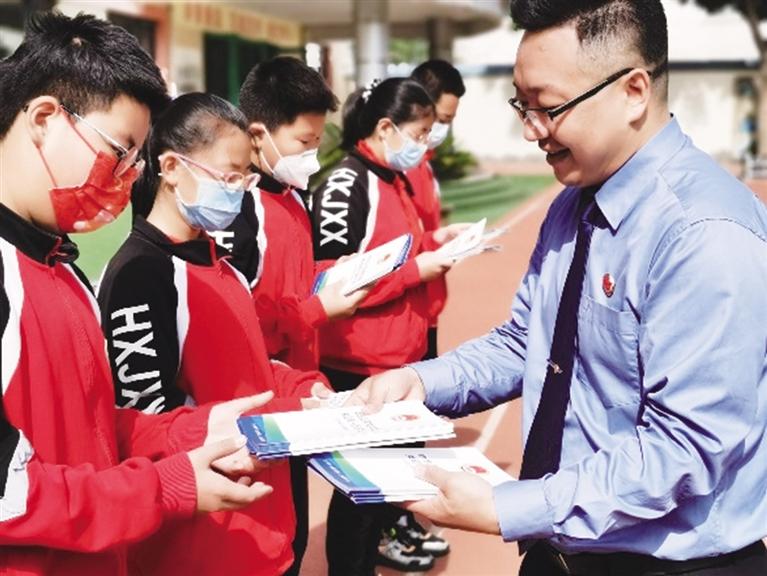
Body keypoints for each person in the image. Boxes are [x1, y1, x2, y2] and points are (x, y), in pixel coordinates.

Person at [351, 1, 767, 575]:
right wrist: (421, 382)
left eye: (548, 107)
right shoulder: (573, 204)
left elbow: (684, 450)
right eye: (522, 105)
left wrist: (507, 508)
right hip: (560, 545)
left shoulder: (703, 233)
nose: (531, 130)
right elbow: (529, 341)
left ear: (634, 92)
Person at [0, 13, 275, 576]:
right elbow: (10, 490)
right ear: (45, 119)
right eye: (118, 150)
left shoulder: (59, 266)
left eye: (134, 160)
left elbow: (91, 428)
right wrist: (163, 488)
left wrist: (193, 430)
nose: (126, 177)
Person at [97, 92, 332, 576]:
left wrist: (309, 390)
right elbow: (146, 429)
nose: (240, 192)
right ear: (171, 167)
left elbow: (250, 368)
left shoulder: (220, 263)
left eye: (245, 177)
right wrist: (284, 415)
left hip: (261, 526)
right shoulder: (142, 275)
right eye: (228, 177)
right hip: (202, 547)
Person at [311, 77, 467, 575]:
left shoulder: (392, 178)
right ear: (385, 128)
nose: (423, 145)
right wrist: (416, 271)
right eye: (418, 134)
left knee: (382, 490)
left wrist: (436, 242)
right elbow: (331, 280)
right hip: (359, 364)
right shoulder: (348, 184)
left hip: (396, 359)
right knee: (360, 494)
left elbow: (394, 251)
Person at [222, 59, 369, 574]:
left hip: (297, 396)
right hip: (259, 405)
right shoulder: (240, 211)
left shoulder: (292, 197)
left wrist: (332, 271)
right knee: (265, 547)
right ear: (258, 134)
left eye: (317, 142)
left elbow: (292, 277)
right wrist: (317, 309)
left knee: (293, 535)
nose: (313, 154)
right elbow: (238, 322)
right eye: (304, 143)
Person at [377, 58, 468, 562]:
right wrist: (421, 262)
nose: (440, 133)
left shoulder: (420, 164)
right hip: (400, 320)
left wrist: (442, 240)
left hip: (422, 312)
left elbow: (418, 233)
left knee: (413, 430)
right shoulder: (396, 169)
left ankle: (402, 523)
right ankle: (393, 528)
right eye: (439, 121)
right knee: (396, 437)